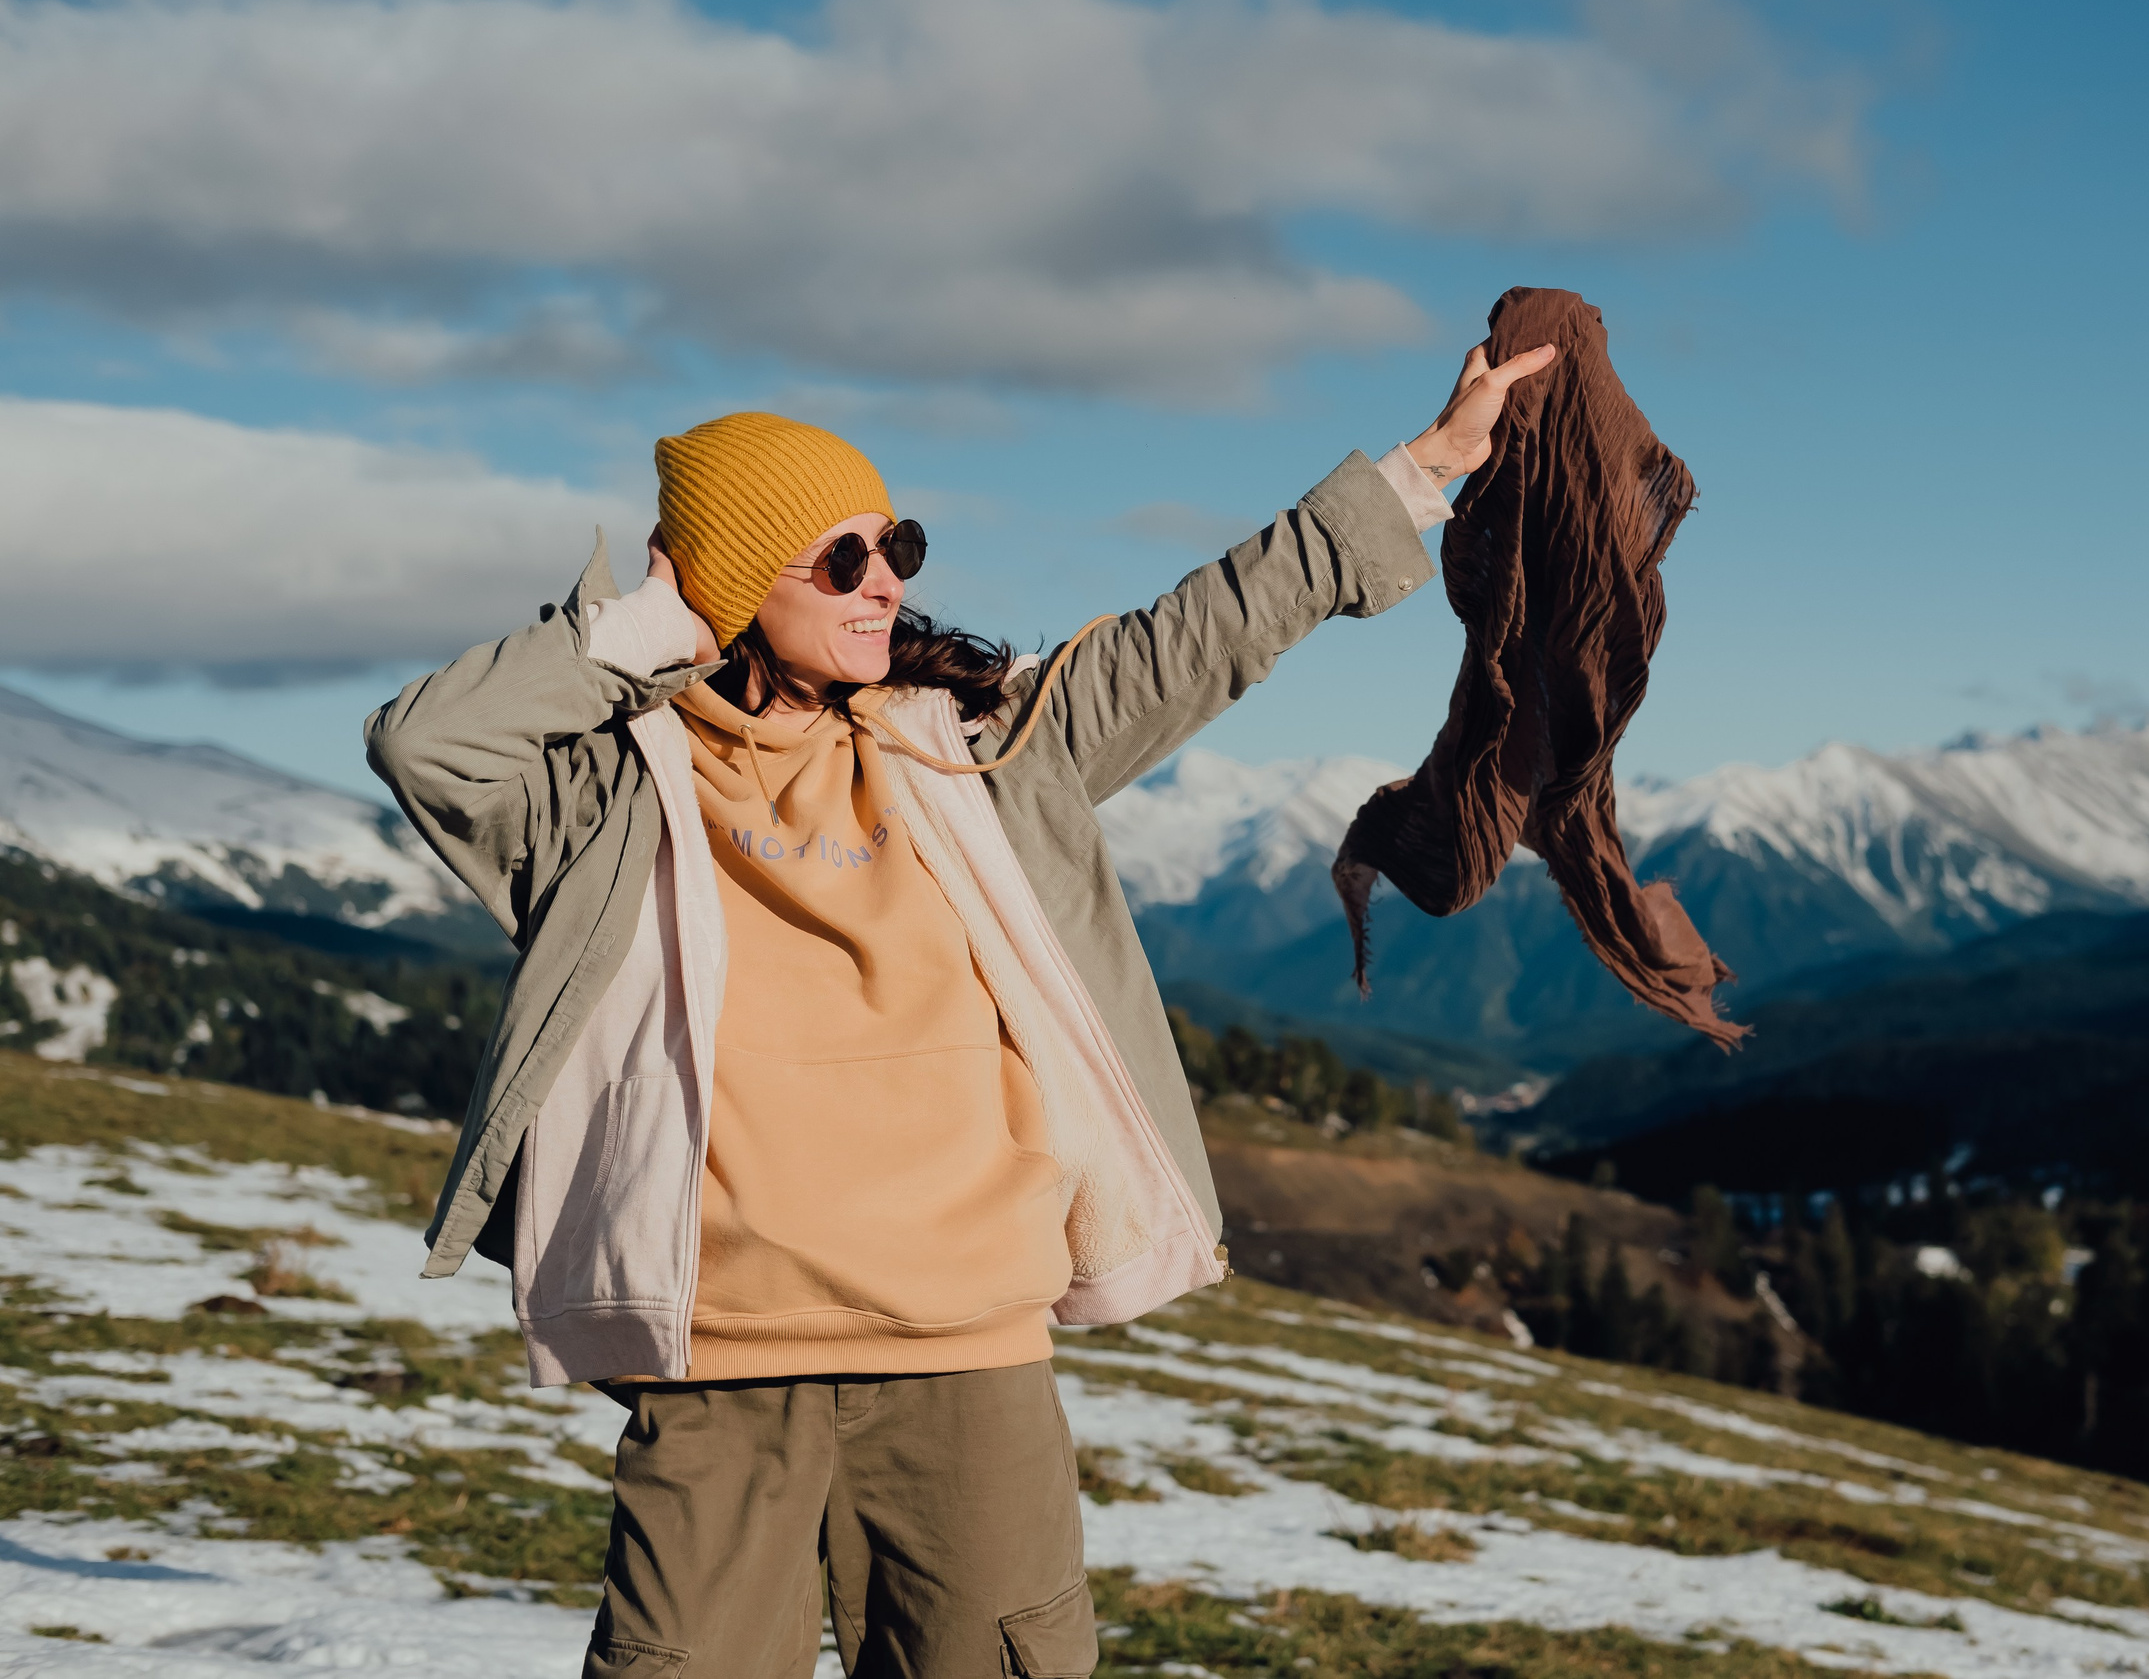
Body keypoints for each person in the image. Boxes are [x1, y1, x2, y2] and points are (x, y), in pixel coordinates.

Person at [366, 338, 1555, 1679]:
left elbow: (1202, 634)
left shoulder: (978, 745)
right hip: (716, 1361)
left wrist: (1424, 469)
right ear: (726, 584)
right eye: (842, 560)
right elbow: (425, 745)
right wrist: (649, 630)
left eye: (899, 545)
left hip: (966, 1355)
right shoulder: (602, 796)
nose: (889, 586)